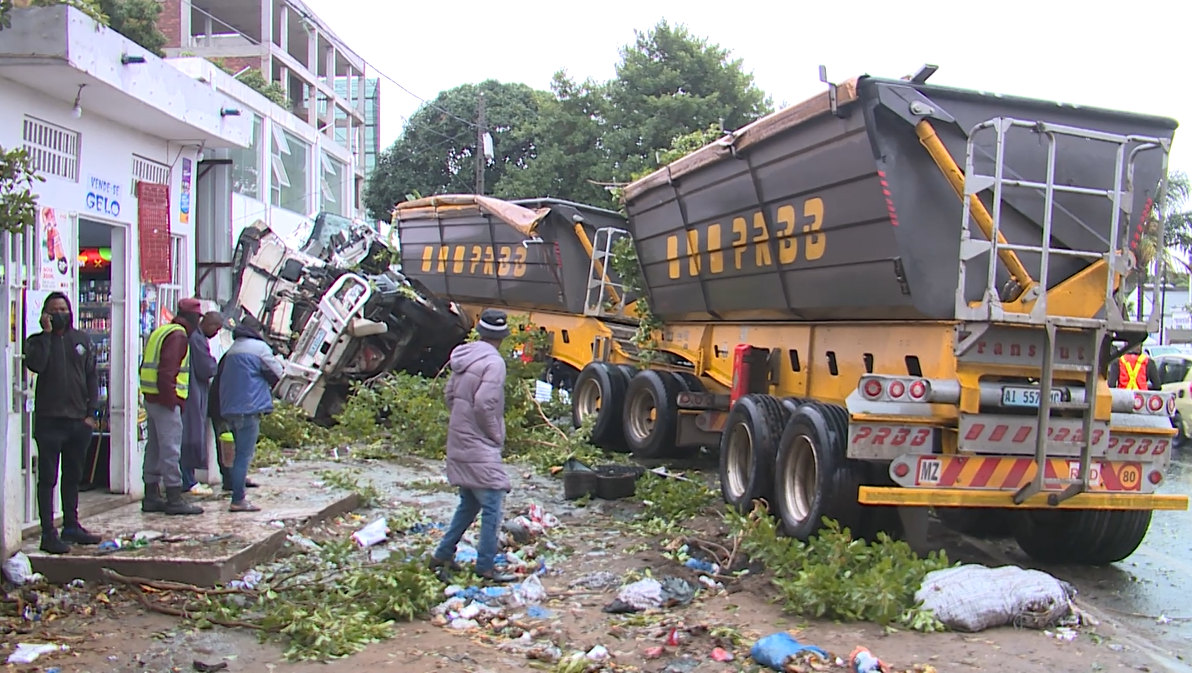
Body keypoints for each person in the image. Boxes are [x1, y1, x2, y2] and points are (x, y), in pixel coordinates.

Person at [430, 309, 517, 583]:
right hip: (480, 443)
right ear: (502, 336)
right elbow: (484, 403)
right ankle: (486, 567)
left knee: (469, 502)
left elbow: (450, 395)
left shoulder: (463, 357)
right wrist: (495, 434)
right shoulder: (494, 363)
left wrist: (461, 421)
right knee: (492, 502)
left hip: (459, 438)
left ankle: (442, 555)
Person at [24, 292, 104, 553]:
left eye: (63, 309)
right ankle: (48, 532)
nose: (60, 313)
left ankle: (72, 525)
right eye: (54, 309)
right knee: (48, 478)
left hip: (78, 421)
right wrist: (47, 334)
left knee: (73, 476)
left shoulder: (80, 340)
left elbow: (91, 376)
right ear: (45, 314)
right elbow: (37, 365)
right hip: (50, 421)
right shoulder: (36, 342)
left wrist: (91, 414)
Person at [140, 299, 204, 516]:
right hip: (165, 400)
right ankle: (174, 497)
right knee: (170, 449)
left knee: (155, 447)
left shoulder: (162, 331)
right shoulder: (178, 336)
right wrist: (172, 401)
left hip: (151, 399)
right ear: (193, 318)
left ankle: (151, 494)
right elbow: (167, 372)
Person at [219, 323, 283, 512]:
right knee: (243, 456)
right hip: (248, 409)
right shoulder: (259, 348)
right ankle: (238, 499)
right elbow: (278, 374)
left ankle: (236, 493)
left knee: (237, 454)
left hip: (229, 409)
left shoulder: (231, 351)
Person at [180, 311, 224, 495]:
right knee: (190, 437)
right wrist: (214, 364)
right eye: (216, 328)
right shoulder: (196, 340)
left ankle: (188, 478)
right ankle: (187, 480)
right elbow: (207, 367)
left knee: (191, 436)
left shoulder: (196, 337)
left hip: (194, 392)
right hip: (192, 393)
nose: (215, 332)